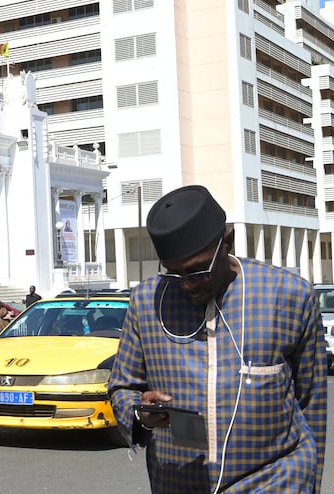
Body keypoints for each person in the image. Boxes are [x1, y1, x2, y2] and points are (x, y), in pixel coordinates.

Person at [108, 185, 327, 493]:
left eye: (199, 271)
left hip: (275, 481)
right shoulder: (146, 302)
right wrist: (140, 413)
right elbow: (122, 386)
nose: (188, 285)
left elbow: (312, 403)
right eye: (174, 274)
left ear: (227, 242)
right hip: (179, 482)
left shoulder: (289, 296)